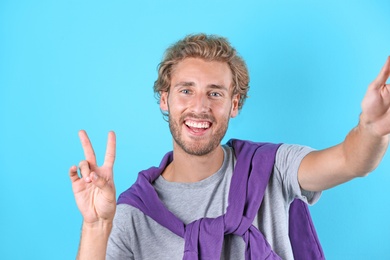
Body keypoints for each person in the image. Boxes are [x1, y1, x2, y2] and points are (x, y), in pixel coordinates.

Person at [69, 34, 390, 260]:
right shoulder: (134, 213)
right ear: (164, 100)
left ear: (234, 104)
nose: (199, 107)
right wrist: (96, 224)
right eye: (186, 91)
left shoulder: (272, 167)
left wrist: (372, 129)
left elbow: (350, 160)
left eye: (215, 93)